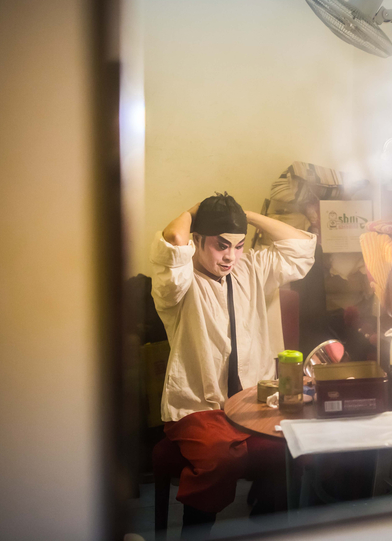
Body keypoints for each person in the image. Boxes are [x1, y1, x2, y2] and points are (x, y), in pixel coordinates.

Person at [151, 193, 316, 534]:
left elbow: (301, 246)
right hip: (199, 406)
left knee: (299, 442)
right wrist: (196, 209)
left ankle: (270, 519)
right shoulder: (177, 282)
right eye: (221, 245)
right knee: (222, 456)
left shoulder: (251, 268)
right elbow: (175, 239)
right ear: (198, 240)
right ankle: (195, 532)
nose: (230, 257)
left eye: (239, 246)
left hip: (255, 400)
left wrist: (246, 214)